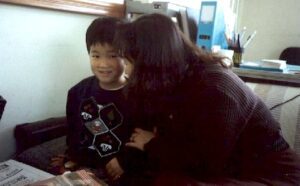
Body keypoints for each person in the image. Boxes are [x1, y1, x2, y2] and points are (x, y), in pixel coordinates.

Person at [113, 13, 300, 185]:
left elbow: (203, 165)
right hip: (230, 172)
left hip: (271, 176)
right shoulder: (169, 82)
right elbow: (145, 133)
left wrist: (151, 144)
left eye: (128, 62)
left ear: (150, 63)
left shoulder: (215, 87)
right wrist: (126, 160)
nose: (125, 70)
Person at [50, 16, 141, 185]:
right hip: (84, 167)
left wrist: (125, 162)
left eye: (113, 55)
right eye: (96, 55)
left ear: (128, 56)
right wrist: (72, 156)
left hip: (119, 170)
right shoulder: (77, 92)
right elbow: (73, 130)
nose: (103, 64)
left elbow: (141, 140)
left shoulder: (138, 95)